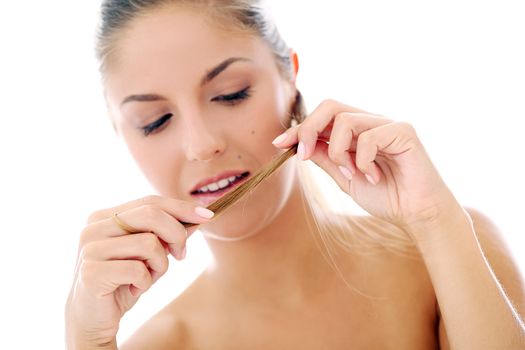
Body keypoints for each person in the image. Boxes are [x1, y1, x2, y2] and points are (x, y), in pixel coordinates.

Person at [65, 1, 525, 349]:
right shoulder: (158, 344)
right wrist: (86, 340)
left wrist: (433, 219)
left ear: (290, 79)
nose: (201, 145)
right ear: (122, 136)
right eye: (154, 122)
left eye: (231, 93)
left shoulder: (450, 250)